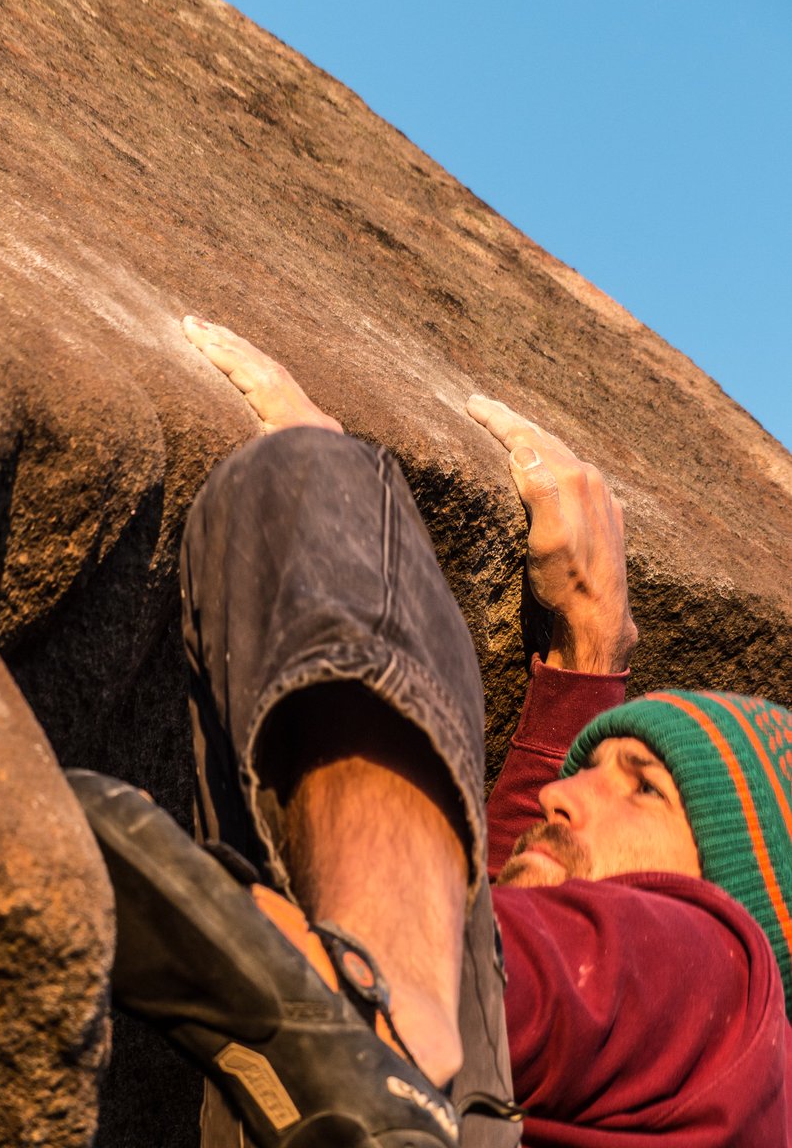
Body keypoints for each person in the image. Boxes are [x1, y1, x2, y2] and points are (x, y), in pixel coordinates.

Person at [68, 320, 791, 1148]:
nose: (562, 792)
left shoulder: (731, 981)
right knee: (375, 973)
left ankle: (376, 1020)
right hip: (388, 1104)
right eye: (592, 768)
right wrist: (589, 652)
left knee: (313, 486)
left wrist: (338, 523)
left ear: (752, 903)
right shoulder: (665, 1093)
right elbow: (487, 948)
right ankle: (362, 1019)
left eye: (645, 786)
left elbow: (552, 976)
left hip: (398, 1077)